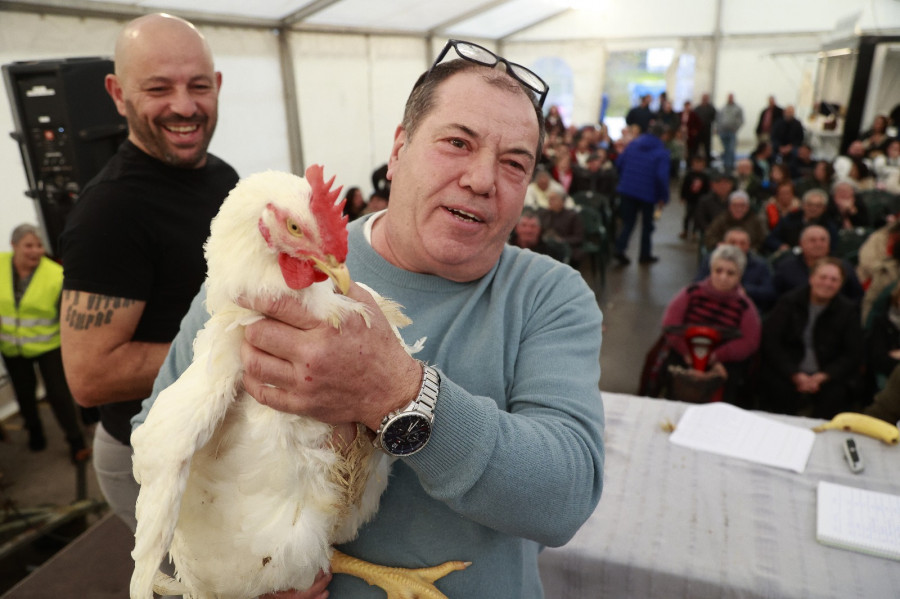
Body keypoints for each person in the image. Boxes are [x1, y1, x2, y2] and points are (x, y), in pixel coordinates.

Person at [133, 40, 604, 598]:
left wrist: (398, 392)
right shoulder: (273, 268)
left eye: (514, 163)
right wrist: (226, 583)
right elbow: (158, 444)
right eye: (457, 143)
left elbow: (564, 498)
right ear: (400, 149)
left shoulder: (548, 296)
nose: (482, 179)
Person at [57, 13, 239, 531]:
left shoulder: (221, 175)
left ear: (217, 86)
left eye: (198, 86)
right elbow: (89, 377)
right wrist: (238, 346)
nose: (184, 106)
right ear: (118, 94)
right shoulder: (110, 211)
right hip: (148, 457)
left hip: (210, 443)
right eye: (159, 88)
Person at [0, 224, 86, 461]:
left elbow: (66, 320)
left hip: (49, 345)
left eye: (39, 245)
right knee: (24, 393)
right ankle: (35, 432)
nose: (36, 251)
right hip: (11, 347)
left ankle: (76, 441)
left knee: (59, 395)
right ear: (14, 245)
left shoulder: (55, 276)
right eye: (29, 245)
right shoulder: (0, 265)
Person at [760, 258, 863, 418]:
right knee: (776, 389)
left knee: (837, 395)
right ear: (812, 278)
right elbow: (772, 342)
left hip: (827, 374)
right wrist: (794, 374)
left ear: (840, 284)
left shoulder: (848, 311)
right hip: (789, 370)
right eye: (823, 277)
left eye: (834, 280)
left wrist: (823, 376)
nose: (827, 283)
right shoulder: (789, 302)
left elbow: (852, 353)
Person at [661, 244, 761, 406]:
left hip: (724, 360)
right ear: (711, 270)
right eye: (718, 270)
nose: (723, 277)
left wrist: (715, 357)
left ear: (739, 276)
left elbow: (749, 342)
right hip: (685, 354)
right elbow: (670, 324)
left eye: (730, 273)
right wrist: (688, 353)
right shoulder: (690, 293)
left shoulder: (745, 306)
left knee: (732, 379)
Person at [613, 122, 670, 265]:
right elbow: (661, 177)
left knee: (628, 223)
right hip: (648, 194)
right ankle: (644, 255)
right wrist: (663, 197)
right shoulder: (662, 152)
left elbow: (619, 163)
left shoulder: (632, 145)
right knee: (647, 226)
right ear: (662, 136)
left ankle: (619, 249)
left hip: (627, 190)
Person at [772, 225, 863, 303]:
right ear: (801, 244)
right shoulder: (786, 268)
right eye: (812, 240)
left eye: (823, 240)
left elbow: (857, 298)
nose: (818, 244)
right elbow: (775, 299)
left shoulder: (844, 267)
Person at [695, 227, 776, 312]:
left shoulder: (760, 265)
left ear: (749, 246)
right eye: (732, 242)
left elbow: (770, 293)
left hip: (746, 311)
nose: (737, 247)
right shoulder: (711, 260)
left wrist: (747, 290)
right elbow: (697, 284)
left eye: (742, 243)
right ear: (724, 243)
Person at [763, 188, 838, 255]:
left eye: (818, 206)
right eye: (810, 205)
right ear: (803, 205)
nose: (813, 208)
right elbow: (771, 239)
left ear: (824, 209)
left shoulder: (829, 226)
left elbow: (833, 249)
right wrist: (781, 246)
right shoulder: (790, 219)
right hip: (790, 256)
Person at [539, 190, 585, 266]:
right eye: (549, 199)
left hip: (566, 248)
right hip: (546, 246)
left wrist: (561, 240)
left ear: (562, 201)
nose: (550, 201)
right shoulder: (544, 214)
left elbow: (579, 237)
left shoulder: (572, 216)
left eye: (553, 199)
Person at [679, 154, 710, 239]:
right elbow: (684, 187)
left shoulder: (705, 177)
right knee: (688, 216)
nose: (698, 166)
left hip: (700, 201)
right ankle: (685, 230)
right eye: (696, 164)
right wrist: (682, 197)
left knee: (697, 217)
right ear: (692, 165)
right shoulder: (689, 175)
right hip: (690, 200)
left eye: (700, 165)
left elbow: (707, 189)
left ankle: (694, 232)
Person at [716, 93, 744, 173]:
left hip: (732, 132)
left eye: (731, 98)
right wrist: (718, 129)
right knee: (726, 149)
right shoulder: (723, 108)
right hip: (723, 132)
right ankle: (725, 165)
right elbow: (718, 119)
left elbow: (741, 120)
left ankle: (730, 166)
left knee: (731, 149)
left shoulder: (738, 108)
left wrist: (736, 128)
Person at [694, 93, 717, 166]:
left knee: (707, 149)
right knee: (696, 149)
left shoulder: (711, 108)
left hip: (707, 132)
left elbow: (715, 118)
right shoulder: (697, 108)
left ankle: (707, 165)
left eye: (706, 98)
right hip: (698, 132)